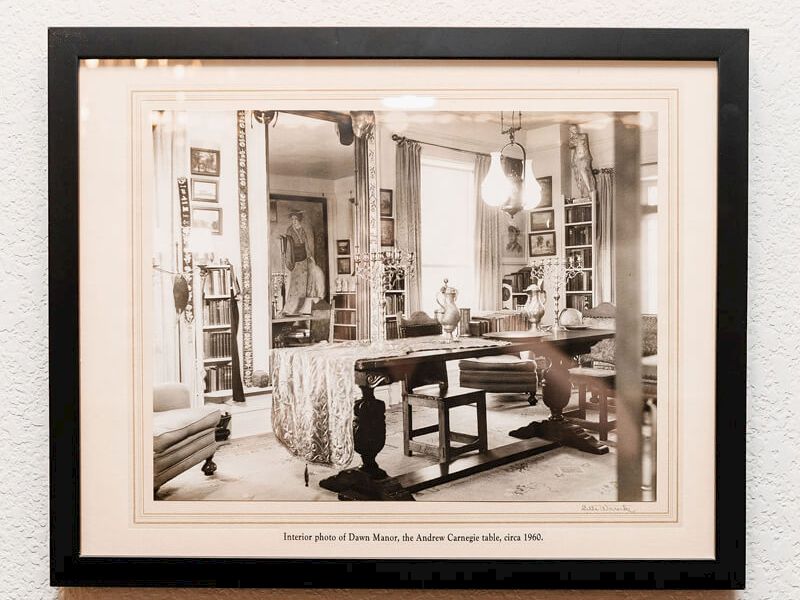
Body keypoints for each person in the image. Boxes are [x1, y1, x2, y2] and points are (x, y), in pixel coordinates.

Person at [280, 210, 326, 314]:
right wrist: (284, 240)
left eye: (296, 219)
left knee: (304, 283)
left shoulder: (302, 229)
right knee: (295, 284)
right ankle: (291, 308)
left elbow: (306, 245)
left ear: (299, 219)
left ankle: (302, 308)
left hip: (304, 258)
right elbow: (288, 245)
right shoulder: (289, 230)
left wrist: (310, 256)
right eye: (292, 219)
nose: (294, 221)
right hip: (295, 259)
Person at [569, 124, 596, 198]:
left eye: (575, 128)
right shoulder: (572, 139)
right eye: (573, 129)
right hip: (577, 158)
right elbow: (570, 146)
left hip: (585, 157)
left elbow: (583, 144)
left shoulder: (583, 135)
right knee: (579, 175)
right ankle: (584, 192)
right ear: (571, 131)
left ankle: (590, 190)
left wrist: (574, 138)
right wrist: (572, 137)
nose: (575, 130)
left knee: (584, 171)